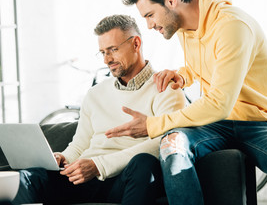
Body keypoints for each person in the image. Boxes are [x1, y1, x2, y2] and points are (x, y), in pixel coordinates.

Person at [104, 0, 267, 205]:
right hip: (217, 125)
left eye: (150, 15)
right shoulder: (183, 26)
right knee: (172, 147)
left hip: (259, 122)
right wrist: (182, 75)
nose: (150, 25)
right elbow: (207, 66)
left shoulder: (232, 26)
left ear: (170, 0)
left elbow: (219, 104)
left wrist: (152, 124)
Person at [12, 14, 185, 205]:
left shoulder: (166, 88)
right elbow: (80, 144)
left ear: (136, 44)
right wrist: (63, 158)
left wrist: (98, 166)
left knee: (144, 163)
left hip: (125, 178)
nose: (107, 60)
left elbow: (164, 143)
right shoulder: (95, 94)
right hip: (86, 180)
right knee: (28, 177)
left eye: (113, 50)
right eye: (102, 52)